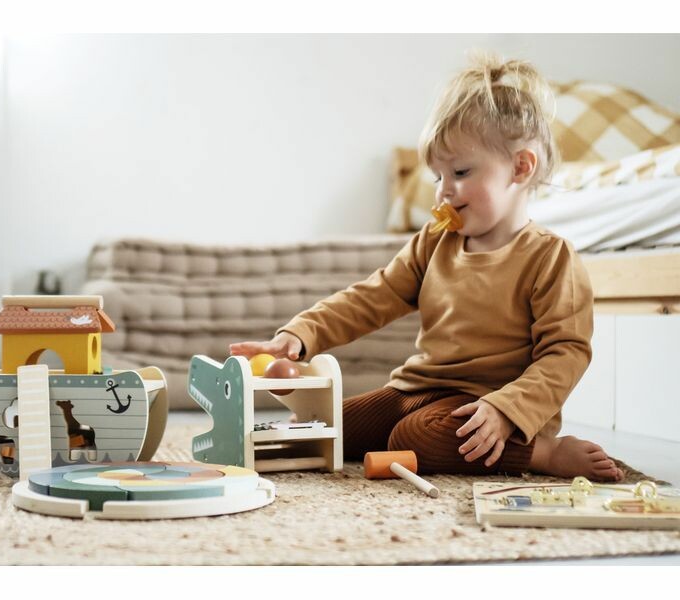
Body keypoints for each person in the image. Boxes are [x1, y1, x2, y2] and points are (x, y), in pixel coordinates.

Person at [230, 53, 623, 482]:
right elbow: (373, 296)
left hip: (487, 405)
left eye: (460, 172)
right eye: (438, 176)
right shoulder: (436, 241)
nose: (443, 192)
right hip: (416, 389)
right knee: (322, 426)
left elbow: (565, 353)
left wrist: (509, 408)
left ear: (520, 167)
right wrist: (301, 334)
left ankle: (540, 454)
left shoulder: (549, 257)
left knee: (415, 437)